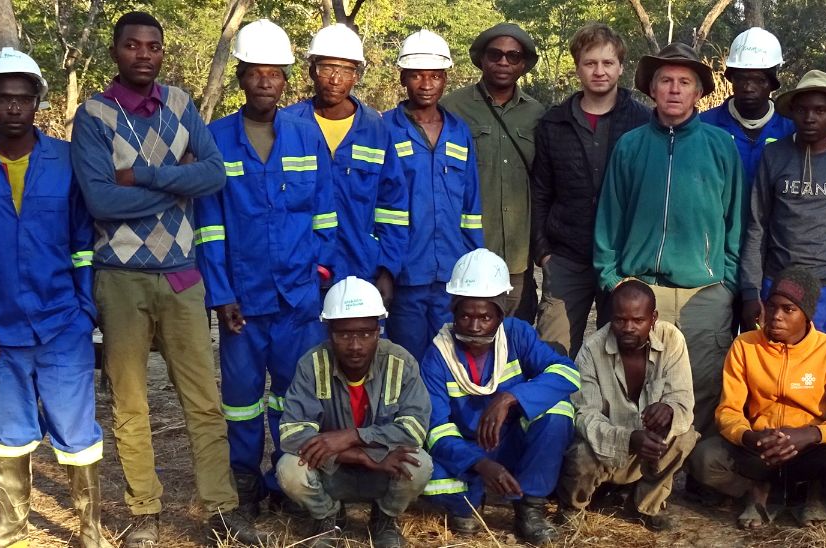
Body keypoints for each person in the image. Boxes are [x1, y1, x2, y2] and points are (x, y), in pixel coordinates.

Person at [70, 11, 263, 545]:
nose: (144, 55)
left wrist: (150, 177)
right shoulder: (94, 115)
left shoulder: (180, 104)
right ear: (116, 52)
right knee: (130, 402)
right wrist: (181, 184)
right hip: (121, 277)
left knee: (202, 399)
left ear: (161, 52)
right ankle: (145, 511)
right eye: (133, 45)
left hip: (183, 276)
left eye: (153, 46)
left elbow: (215, 173)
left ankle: (221, 509)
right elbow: (101, 201)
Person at [0, 48, 110, 548]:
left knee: (78, 435)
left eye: (23, 98)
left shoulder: (65, 161)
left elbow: (84, 244)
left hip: (63, 326)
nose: (14, 107)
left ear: (37, 101)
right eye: (3, 98)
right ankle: (10, 526)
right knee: (9, 429)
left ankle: (90, 530)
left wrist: (85, 313)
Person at [197, 19, 338, 517]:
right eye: (255, 72)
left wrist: (320, 278)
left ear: (284, 80)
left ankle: (288, 476)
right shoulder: (215, 139)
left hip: (298, 298)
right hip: (242, 299)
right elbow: (209, 226)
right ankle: (244, 480)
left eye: (274, 74)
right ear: (240, 77)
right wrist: (220, 293)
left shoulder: (306, 136)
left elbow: (325, 215)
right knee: (240, 399)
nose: (265, 82)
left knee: (294, 396)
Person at [593, 42, 745, 447]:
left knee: (703, 383)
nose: (674, 90)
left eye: (684, 82)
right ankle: (632, 469)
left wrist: (726, 282)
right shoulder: (630, 145)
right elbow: (610, 216)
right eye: (665, 81)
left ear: (698, 93)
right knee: (634, 384)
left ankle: (698, 473)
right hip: (639, 288)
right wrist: (613, 278)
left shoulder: (721, 146)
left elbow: (735, 221)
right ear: (652, 89)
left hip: (704, 291)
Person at [739, 70, 826, 409]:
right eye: (803, 109)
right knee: (780, 373)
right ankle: (780, 447)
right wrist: (749, 289)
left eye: (819, 110)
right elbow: (757, 224)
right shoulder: (774, 156)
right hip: (780, 286)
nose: (810, 117)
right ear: (793, 112)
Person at [688, 267, 826, 528]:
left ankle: (813, 494)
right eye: (771, 306)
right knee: (703, 459)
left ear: (807, 314)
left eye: (788, 309)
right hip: (759, 449)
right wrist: (749, 436)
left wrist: (809, 435)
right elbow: (727, 411)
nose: (775, 316)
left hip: (810, 451)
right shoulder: (745, 345)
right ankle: (756, 491)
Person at [420, 249, 579, 544]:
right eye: (466, 315)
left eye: (485, 317)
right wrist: (480, 463)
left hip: (511, 442)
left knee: (559, 410)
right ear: (453, 312)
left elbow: (568, 373)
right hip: (465, 451)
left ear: (500, 315)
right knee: (427, 471)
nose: (475, 326)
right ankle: (469, 501)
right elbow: (436, 431)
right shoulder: (437, 355)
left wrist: (510, 398)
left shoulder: (517, 335)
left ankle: (529, 509)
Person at [277, 277, 433, 548]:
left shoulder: (400, 362)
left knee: (419, 463)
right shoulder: (312, 364)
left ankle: (384, 519)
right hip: (334, 471)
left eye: (364, 333)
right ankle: (327, 517)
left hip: (383, 470)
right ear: (329, 332)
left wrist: (352, 436)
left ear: (378, 330)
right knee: (290, 469)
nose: (355, 345)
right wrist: (362, 456)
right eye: (344, 334)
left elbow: (414, 429)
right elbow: (292, 434)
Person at [531, 22, 650, 357]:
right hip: (567, 255)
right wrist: (544, 252)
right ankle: (555, 411)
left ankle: (611, 412)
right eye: (590, 63)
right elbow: (541, 191)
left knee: (624, 354)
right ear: (577, 68)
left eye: (608, 63)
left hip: (626, 259)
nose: (599, 71)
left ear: (621, 67)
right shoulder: (554, 123)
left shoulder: (642, 122)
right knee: (552, 353)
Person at [558, 280, 698, 531]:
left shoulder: (672, 339)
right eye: (620, 320)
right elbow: (583, 415)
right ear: (611, 317)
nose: (628, 328)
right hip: (606, 448)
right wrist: (628, 439)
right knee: (580, 451)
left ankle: (645, 506)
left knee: (685, 435)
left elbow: (683, 400)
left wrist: (669, 409)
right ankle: (572, 508)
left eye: (638, 320)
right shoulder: (591, 349)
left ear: (653, 318)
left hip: (648, 451)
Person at [285, 24, 408, 303]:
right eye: (326, 68)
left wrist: (387, 269)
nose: (335, 79)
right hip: (302, 271)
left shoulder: (376, 130)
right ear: (311, 71)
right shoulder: (288, 126)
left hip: (362, 269)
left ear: (356, 76)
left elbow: (393, 208)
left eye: (346, 70)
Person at [384, 29, 484, 361]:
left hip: (451, 276)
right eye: (417, 76)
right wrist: (383, 269)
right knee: (406, 361)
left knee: (448, 361)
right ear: (402, 78)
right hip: (404, 276)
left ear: (445, 80)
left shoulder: (459, 132)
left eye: (436, 76)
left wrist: (473, 267)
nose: (426, 84)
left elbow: (471, 207)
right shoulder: (382, 130)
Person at [440, 23, 546, 322]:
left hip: (517, 256)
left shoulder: (537, 114)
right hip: (465, 250)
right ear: (481, 59)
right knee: (466, 333)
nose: (503, 62)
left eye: (513, 56)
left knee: (514, 336)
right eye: (495, 54)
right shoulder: (452, 108)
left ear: (523, 64)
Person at [699, 27, 795, 187]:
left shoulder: (791, 128)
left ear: (772, 84)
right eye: (741, 79)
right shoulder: (705, 125)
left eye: (759, 80)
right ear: (731, 80)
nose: (748, 87)